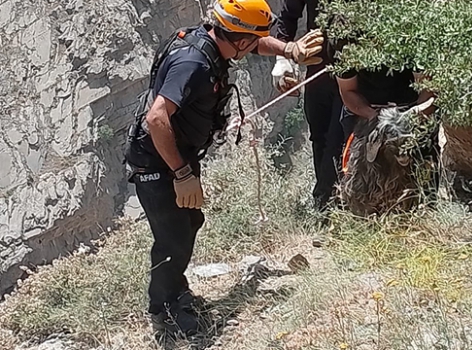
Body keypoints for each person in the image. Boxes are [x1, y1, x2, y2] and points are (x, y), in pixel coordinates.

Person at [123, 0, 324, 337]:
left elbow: (256, 41)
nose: (254, 45)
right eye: (252, 38)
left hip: (176, 156)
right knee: (172, 238)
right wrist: (182, 175)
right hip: (158, 162)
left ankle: (177, 293)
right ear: (239, 38)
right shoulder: (193, 63)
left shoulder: (212, 40)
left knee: (189, 223)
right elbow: (157, 119)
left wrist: (290, 49)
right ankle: (164, 313)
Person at [332, 37, 441, 200]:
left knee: (424, 171)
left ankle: (424, 206)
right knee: (359, 176)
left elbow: (428, 90)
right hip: (366, 110)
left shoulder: (411, 35)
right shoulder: (345, 41)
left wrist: (409, 118)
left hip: (410, 108)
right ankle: (360, 207)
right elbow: (347, 91)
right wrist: (374, 118)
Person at [271, 0, 345, 212]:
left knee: (336, 139)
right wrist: (283, 58)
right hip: (318, 71)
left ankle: (328, 204)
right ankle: (326, 201)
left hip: (352, 73)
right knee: (319, 137)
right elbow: (289, 14)